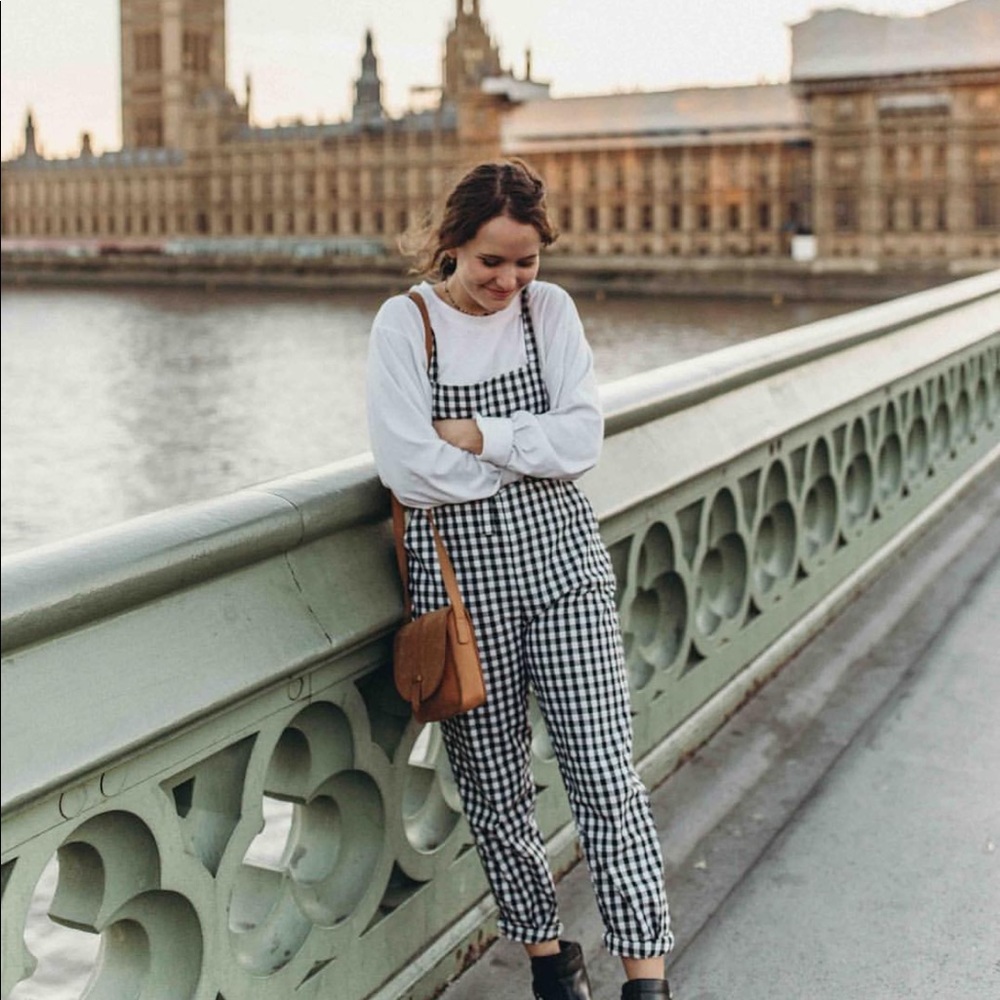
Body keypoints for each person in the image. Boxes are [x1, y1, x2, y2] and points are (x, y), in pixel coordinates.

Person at [366, 158, 673, 1000]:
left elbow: (582, 442)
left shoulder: (551, 311)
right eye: (490, 261)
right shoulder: (406, 325)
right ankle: (550, 965)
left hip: (563, 566)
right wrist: (525, 452)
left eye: (526, 261)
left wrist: (478, 435)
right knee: (494, 789)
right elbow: (408, 468)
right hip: (460, 591)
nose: (508, 281)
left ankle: (646, 979)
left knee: (604, 774)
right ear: (451, 244)